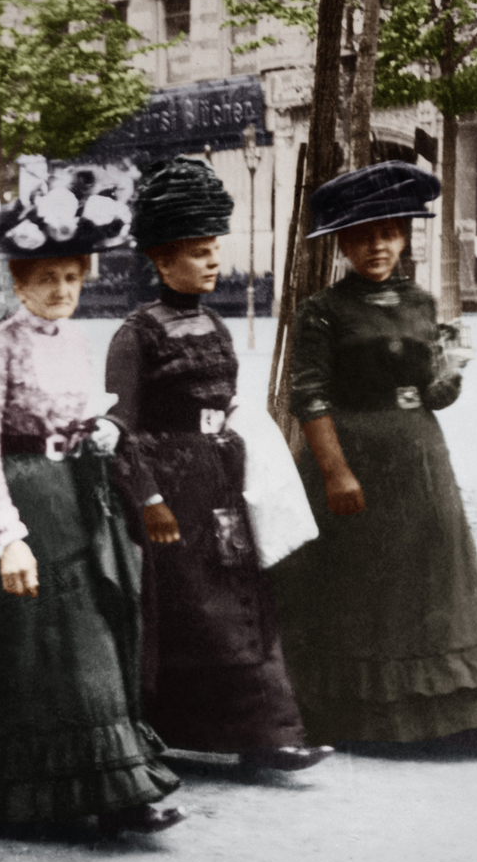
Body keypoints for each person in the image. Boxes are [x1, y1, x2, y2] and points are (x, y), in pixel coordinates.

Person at [0, 169, 184, 837]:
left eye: (72, 279)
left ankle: (116, 789)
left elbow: (81, 416)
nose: (61, 292)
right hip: (18, 508)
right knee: (29, 658)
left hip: (77, 504)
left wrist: (100, 430)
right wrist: (7, 536)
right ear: (18, 284)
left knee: (90, 648)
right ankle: (40, 794)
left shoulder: (77, 341)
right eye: (46, 280)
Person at [269, 162, 477, 749]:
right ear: (341, 242)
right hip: (353, 455)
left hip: (419, 456)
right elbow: (307, 396)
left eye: (388, 233)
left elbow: (435, 393)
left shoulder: (420, 301)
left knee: (433, 579)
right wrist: (335, 471)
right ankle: (362, 719)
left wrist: (454, 368)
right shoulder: (323, 310)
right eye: (362, 237)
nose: (377, 247)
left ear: (404, 236)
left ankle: (453, 712)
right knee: (363, 587)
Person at [105, 157, 328, 770]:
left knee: (244, 603)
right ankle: (166, 731)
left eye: (213, 250)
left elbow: (227, 400)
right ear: (161, 260)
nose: (212, 262)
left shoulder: (216, 324)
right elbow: (118, 430)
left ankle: (266, 735)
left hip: (223, 488)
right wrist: (148, 501)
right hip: (170, 494)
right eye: (199, 252)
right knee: (190, 614)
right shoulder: (136, 334)